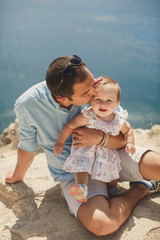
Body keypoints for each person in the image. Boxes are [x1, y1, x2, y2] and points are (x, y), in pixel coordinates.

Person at [5, 54, 160, 236]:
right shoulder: (28, 105)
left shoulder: (97, 90)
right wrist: (17, 176)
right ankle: (142, 187)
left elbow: (124, 137)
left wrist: (100, 138)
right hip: (76, 176)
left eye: (92, 82)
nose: (94, 92)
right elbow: (28, 145)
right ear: (63, 99)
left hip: (113, 157)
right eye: (87, 93)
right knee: (102, 225)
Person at [53, 76, 135, 202]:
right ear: (91, 100)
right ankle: (81, 188)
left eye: (109, 101)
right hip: (86, 150)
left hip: (107, 151)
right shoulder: (89, 116)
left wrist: (130, 143)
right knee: (82, 166)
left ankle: (112, 188)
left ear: (117, 103)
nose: (103, 104)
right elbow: (70, 126)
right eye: (98, 99)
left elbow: (128, 130)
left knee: (112, 170)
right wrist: (60, 142)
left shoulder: (118, 120)